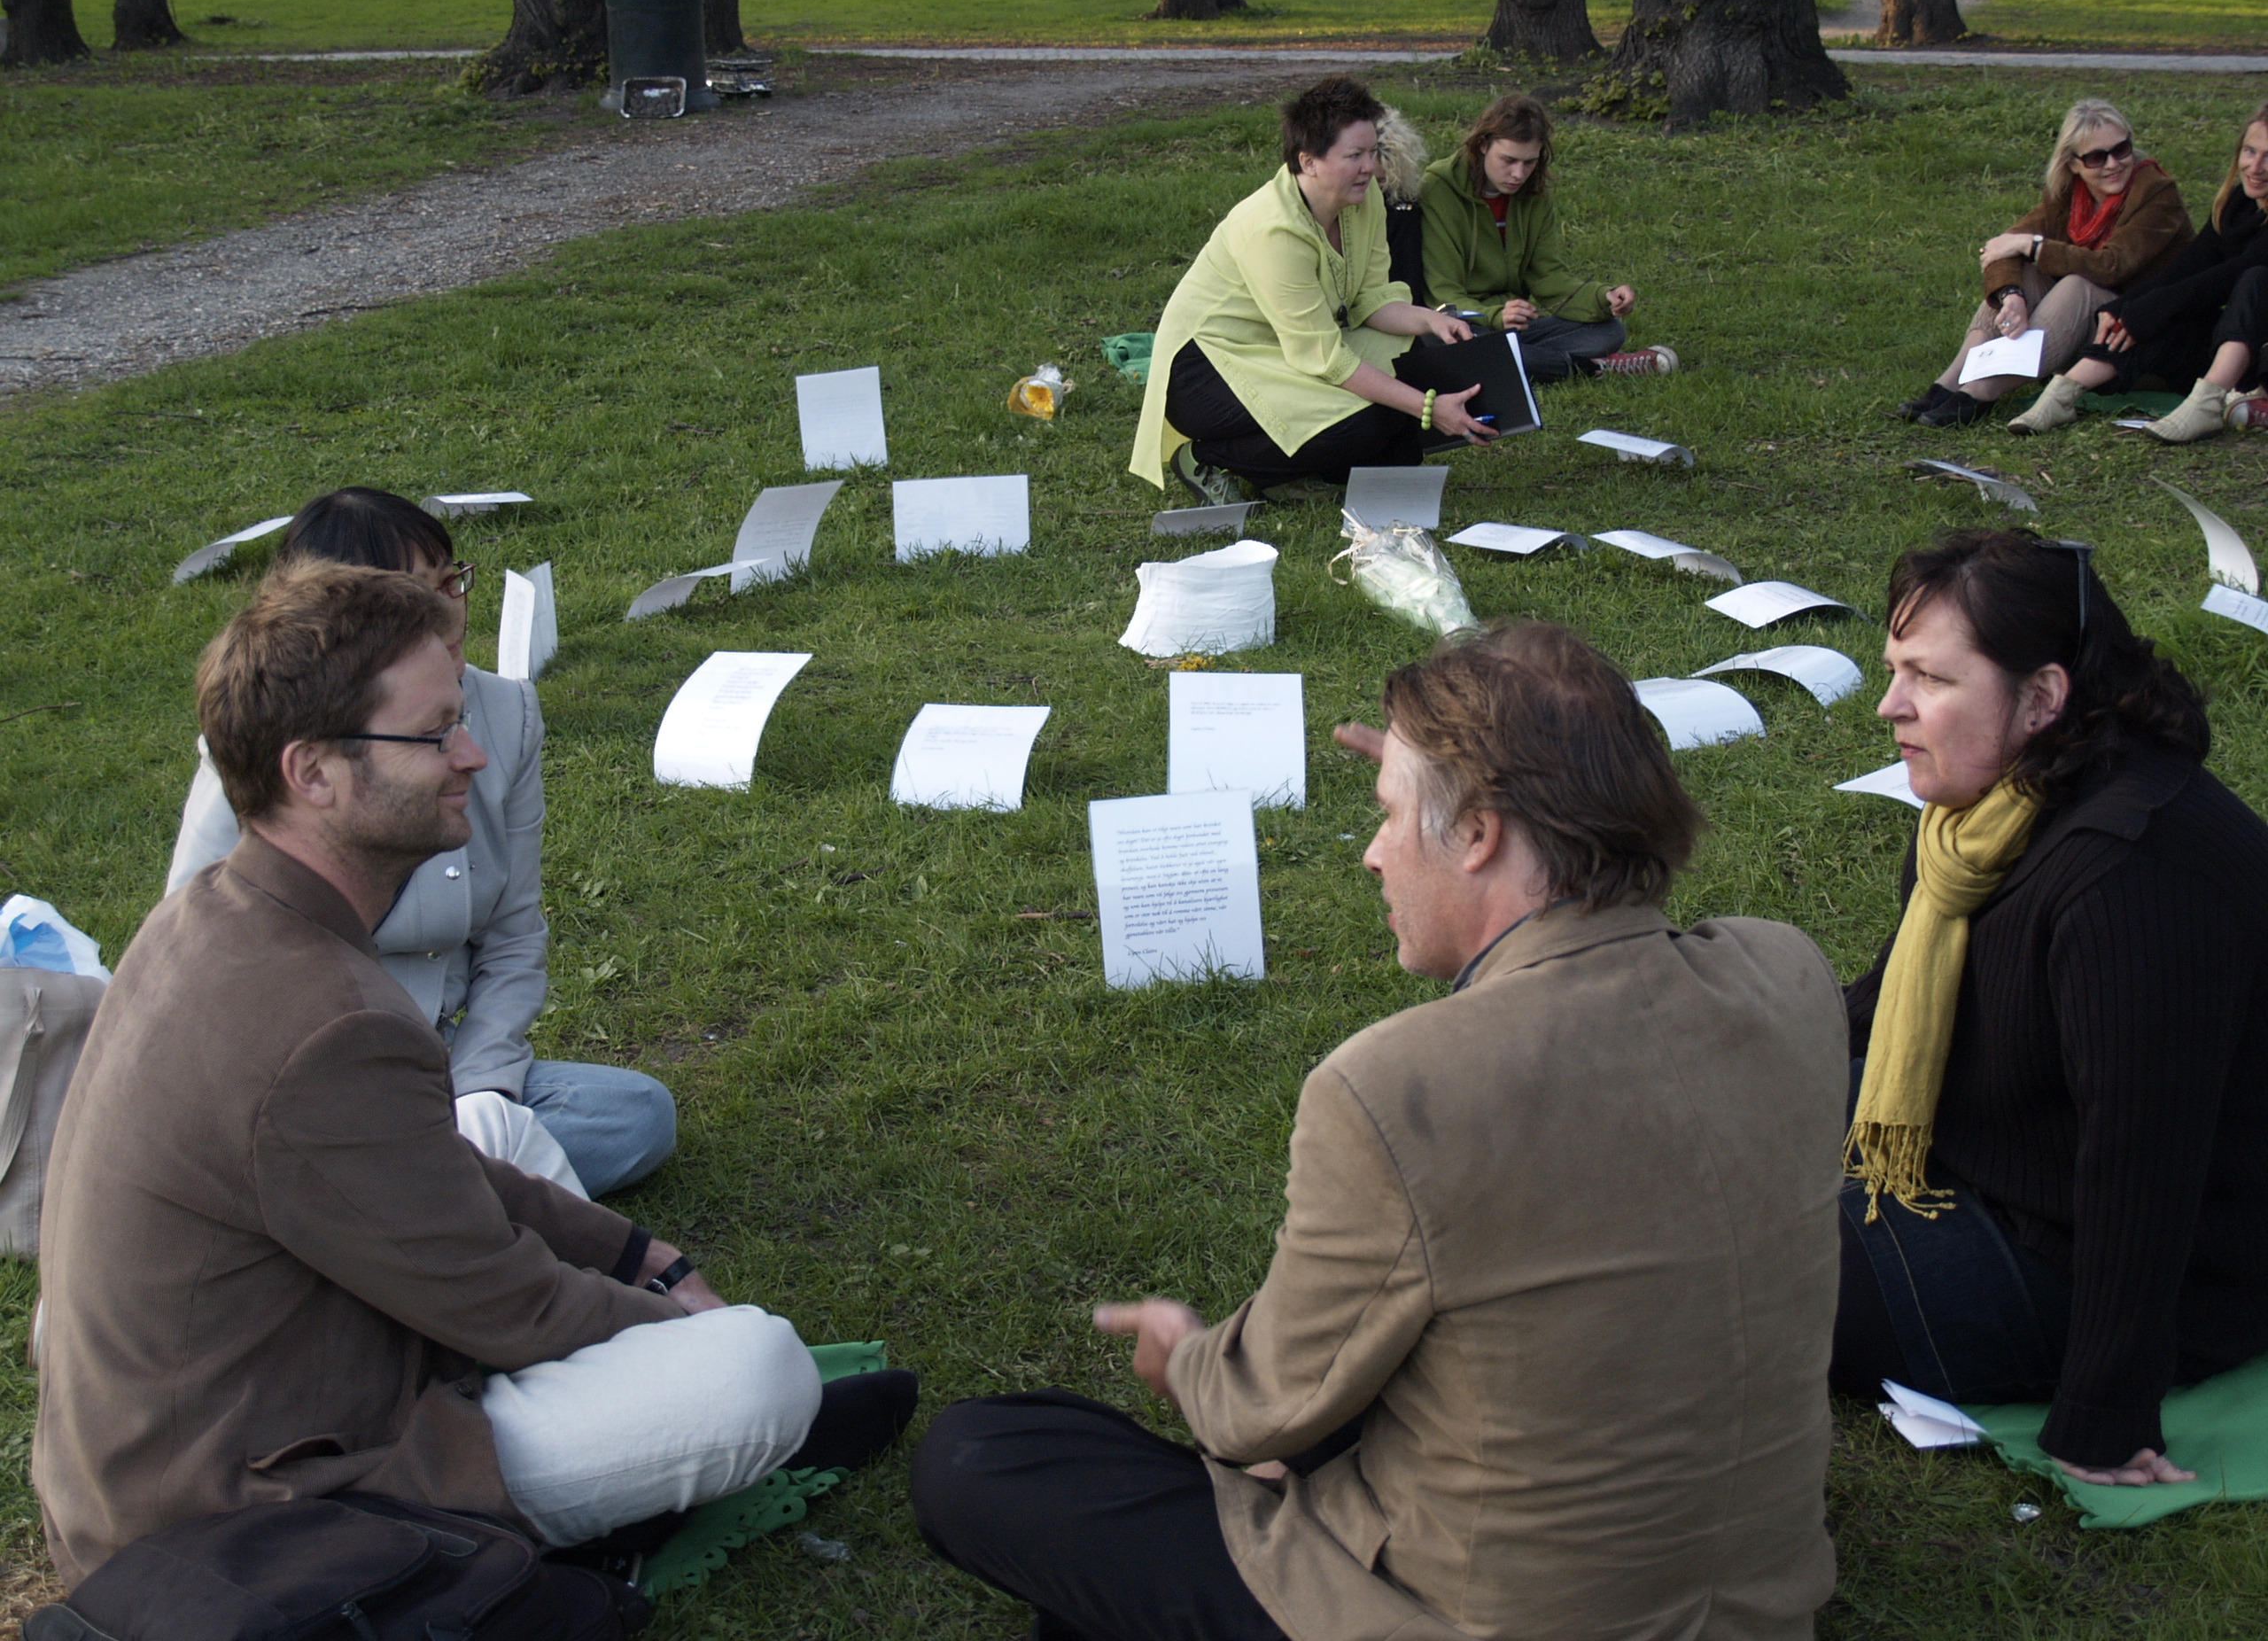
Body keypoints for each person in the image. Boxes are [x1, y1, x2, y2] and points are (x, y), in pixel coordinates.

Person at [912, 622, 1849, 1641]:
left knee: (983, 1454)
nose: (1371, 853)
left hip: (1482, 1613)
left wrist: (1187, 1358)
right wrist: (1443, 763)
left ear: (1478, 833)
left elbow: (1260, 1410)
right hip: (1757, 1606)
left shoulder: (1399, 1084)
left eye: (1389, 814)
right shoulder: (1786, 976)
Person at [32, 562, 914, 1586]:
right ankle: (607, 1509)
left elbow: (441, 1170)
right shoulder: (324, 1023)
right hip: (236, 1511)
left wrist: (645, 1254)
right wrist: (668, 1328)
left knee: (495, 1125)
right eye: (433, 734)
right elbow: (510, 1306)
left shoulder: (217, 913)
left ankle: (627, 1448)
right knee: (755, 1371)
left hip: (207, 1416)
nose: (471, 753)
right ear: (312, 773)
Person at [1835, 528, 2268, 1488]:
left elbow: (2141, 1165)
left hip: (2107, 1270)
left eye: (1929, 679)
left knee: (1732, 1256)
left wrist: (2104, 1413)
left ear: (2042, 698)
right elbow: (1888, 1004)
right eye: (1895, 670)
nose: (1889, 705)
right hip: (1996, 1163)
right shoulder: (1984, 817)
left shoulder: (2129, 878)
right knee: (1709, 1133)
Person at [165, 488, 675, 1198]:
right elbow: (190, 946)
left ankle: (407, 1181)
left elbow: (514, 935)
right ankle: (414, 1183)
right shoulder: (270, 740)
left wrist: (480, 1094)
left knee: (633, 1114)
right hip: (306, 1070)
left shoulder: (508, 713)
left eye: (450, 582)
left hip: (439, 1068)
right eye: (414, 596)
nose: (451, 612)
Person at [1130, 76, 1495, 508]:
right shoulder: (1273, 230)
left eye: (1372, 152)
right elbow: (1325, 358)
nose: (1369, 167)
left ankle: (1284, 471)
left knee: (1406, 378)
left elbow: (1369, 299)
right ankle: (1207, 458)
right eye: (1354, 155)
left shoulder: (1364, 199)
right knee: (1365, 422)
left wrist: (1430, 320)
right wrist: (1428, 408)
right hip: (1206, 368)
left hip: (1287, 346)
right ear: (1308, 162)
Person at [1899, 98, 2192, 428]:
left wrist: (2033, 245)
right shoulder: (2069, 193)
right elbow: (2002, 248)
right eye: (2097, 157)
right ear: (2073, 164)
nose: (2114, 164)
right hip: (2099, 329)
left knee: (2078, 285)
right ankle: (1951, 382)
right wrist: (2011, 296)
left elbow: (2111, 266)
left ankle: (1982, 390)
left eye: (2122, 150)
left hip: (2143, 338)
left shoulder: (2156, 194)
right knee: (2025, 275)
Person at [2010, 102, 2268, 442]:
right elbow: (2190, 266)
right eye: (2250, 151)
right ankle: (2064, 393)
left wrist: (2149, 308)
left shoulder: (2157, 191)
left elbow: (2225, 279)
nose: (2256, 167)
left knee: (2254, 280)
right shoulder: (2237, 203)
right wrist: (2126, 307)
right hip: (2238, 343)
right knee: (2151, 314)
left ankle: (2208, 404)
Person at [1418, 92, 1676, 381]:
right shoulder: (1438, 189)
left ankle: (1524, 361)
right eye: (1508, 160)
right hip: (1463, 322)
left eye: (1529, 162)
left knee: (1608, 330)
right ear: (1482, 145)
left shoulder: (1533, 193)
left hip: (1515, 326)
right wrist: (1495, 316)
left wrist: (1604, 297)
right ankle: (1594, 368)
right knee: (1446, 340)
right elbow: (1444, 295)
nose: (1518, 174)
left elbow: (1548, 276)